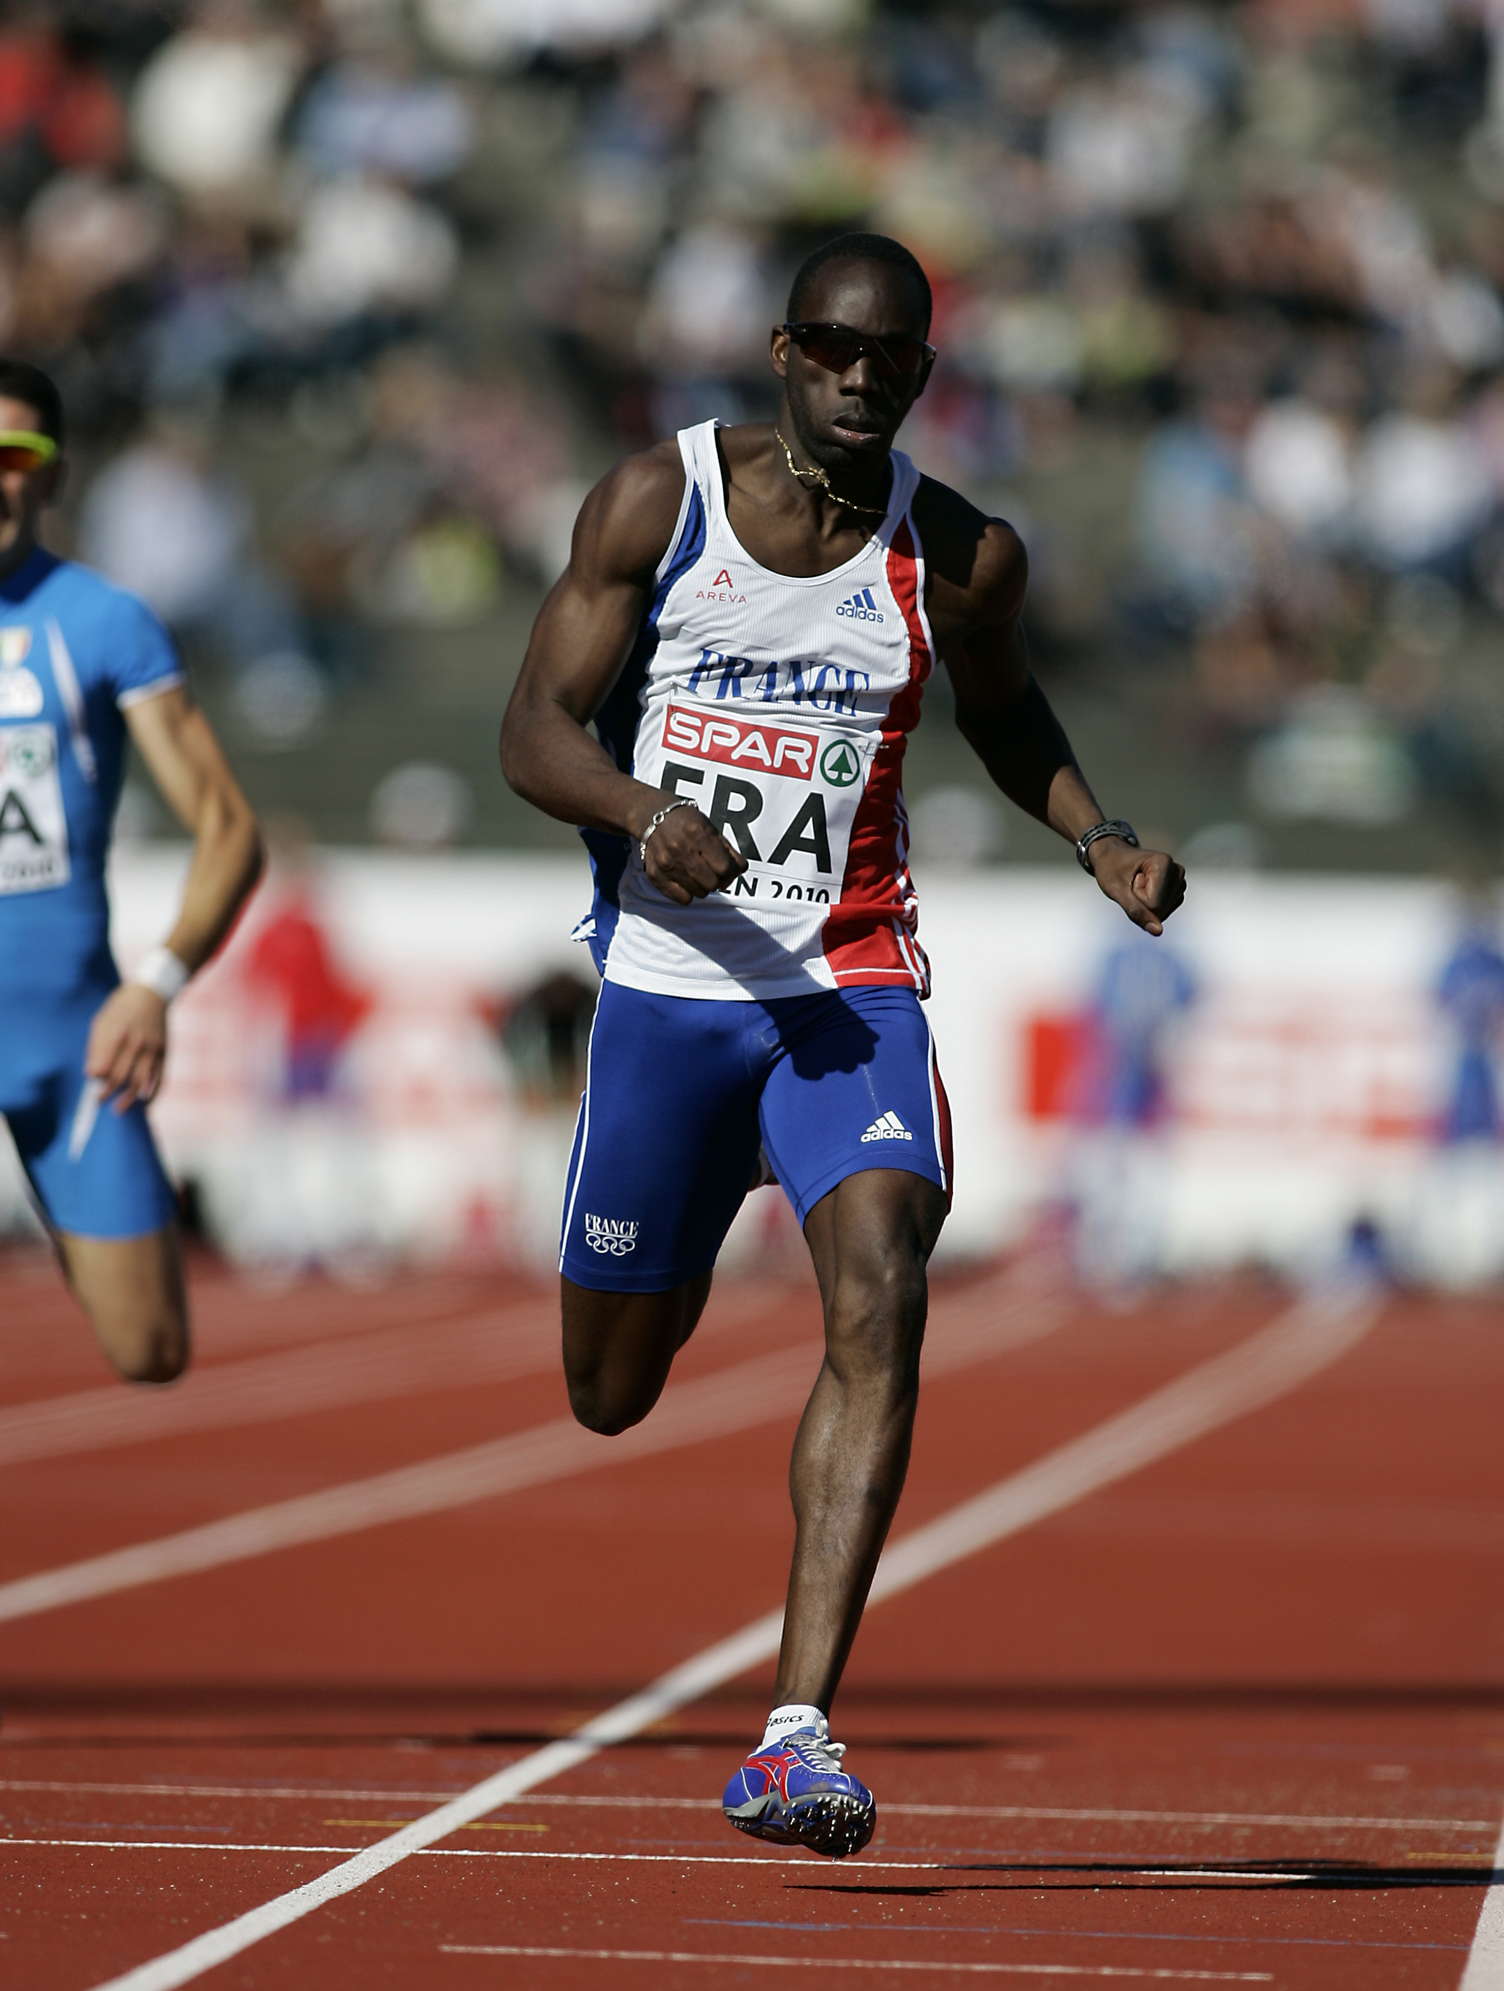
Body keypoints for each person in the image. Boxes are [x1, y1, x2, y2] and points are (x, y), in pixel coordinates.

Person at [500, 234, 1185, 1858]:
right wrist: (642, 811)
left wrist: (1096, 834)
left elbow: (1003, 711)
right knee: (607, 1389)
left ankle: (793, 1733)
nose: (860, 378)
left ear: (922, 375)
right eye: (831, 347)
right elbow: (531, 728)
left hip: (846, 988)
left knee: (882, 1287)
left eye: (891, 359)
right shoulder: (655, 506)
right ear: (782, 350)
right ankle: (676, 1246)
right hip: (670, 991)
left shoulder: (958, 555)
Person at [0, 358, 263, 1381]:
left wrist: (156, 985)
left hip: (74, 1043)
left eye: (15, 452)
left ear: (53, 473)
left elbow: (228, 829)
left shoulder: (103, 620)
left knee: (149, 1347)